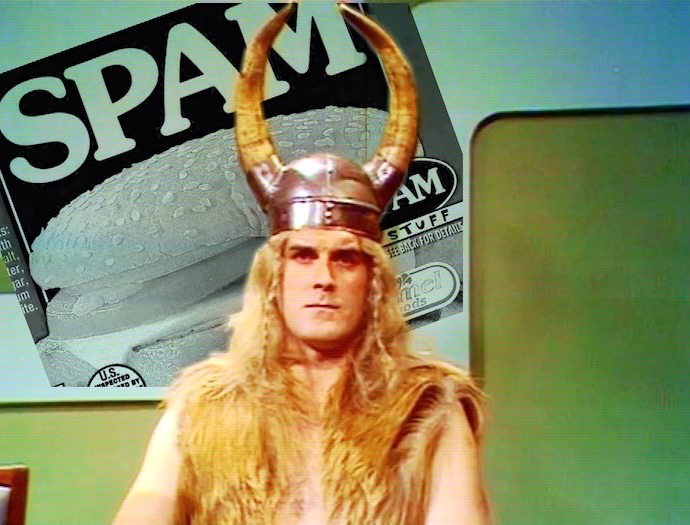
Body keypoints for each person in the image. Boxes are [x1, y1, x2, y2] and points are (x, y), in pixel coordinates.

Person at [113, 3, 489, 524]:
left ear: (374, 281)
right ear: (275, 277)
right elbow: (147, 507)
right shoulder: (202, 404)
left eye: (346, 259)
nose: (324, 279)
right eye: (304, 256)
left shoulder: (428, 407)